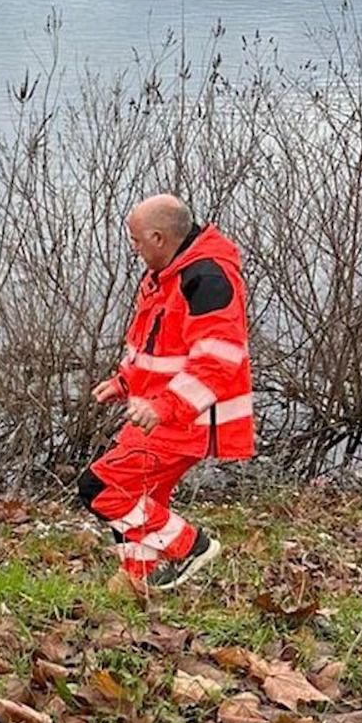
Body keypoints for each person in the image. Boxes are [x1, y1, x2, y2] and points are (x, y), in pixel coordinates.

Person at [79, 194, 251, 592]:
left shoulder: (205, 278)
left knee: (101, 488)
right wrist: (123, 383)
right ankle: (142, 579)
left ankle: (191, 546)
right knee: (141, 495)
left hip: (185, 420)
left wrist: (166, 406)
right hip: (160, 414)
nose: (134, 249)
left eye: (136, 241)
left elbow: (219, 360)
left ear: (159, 238)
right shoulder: (167, 274)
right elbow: (153, 347)